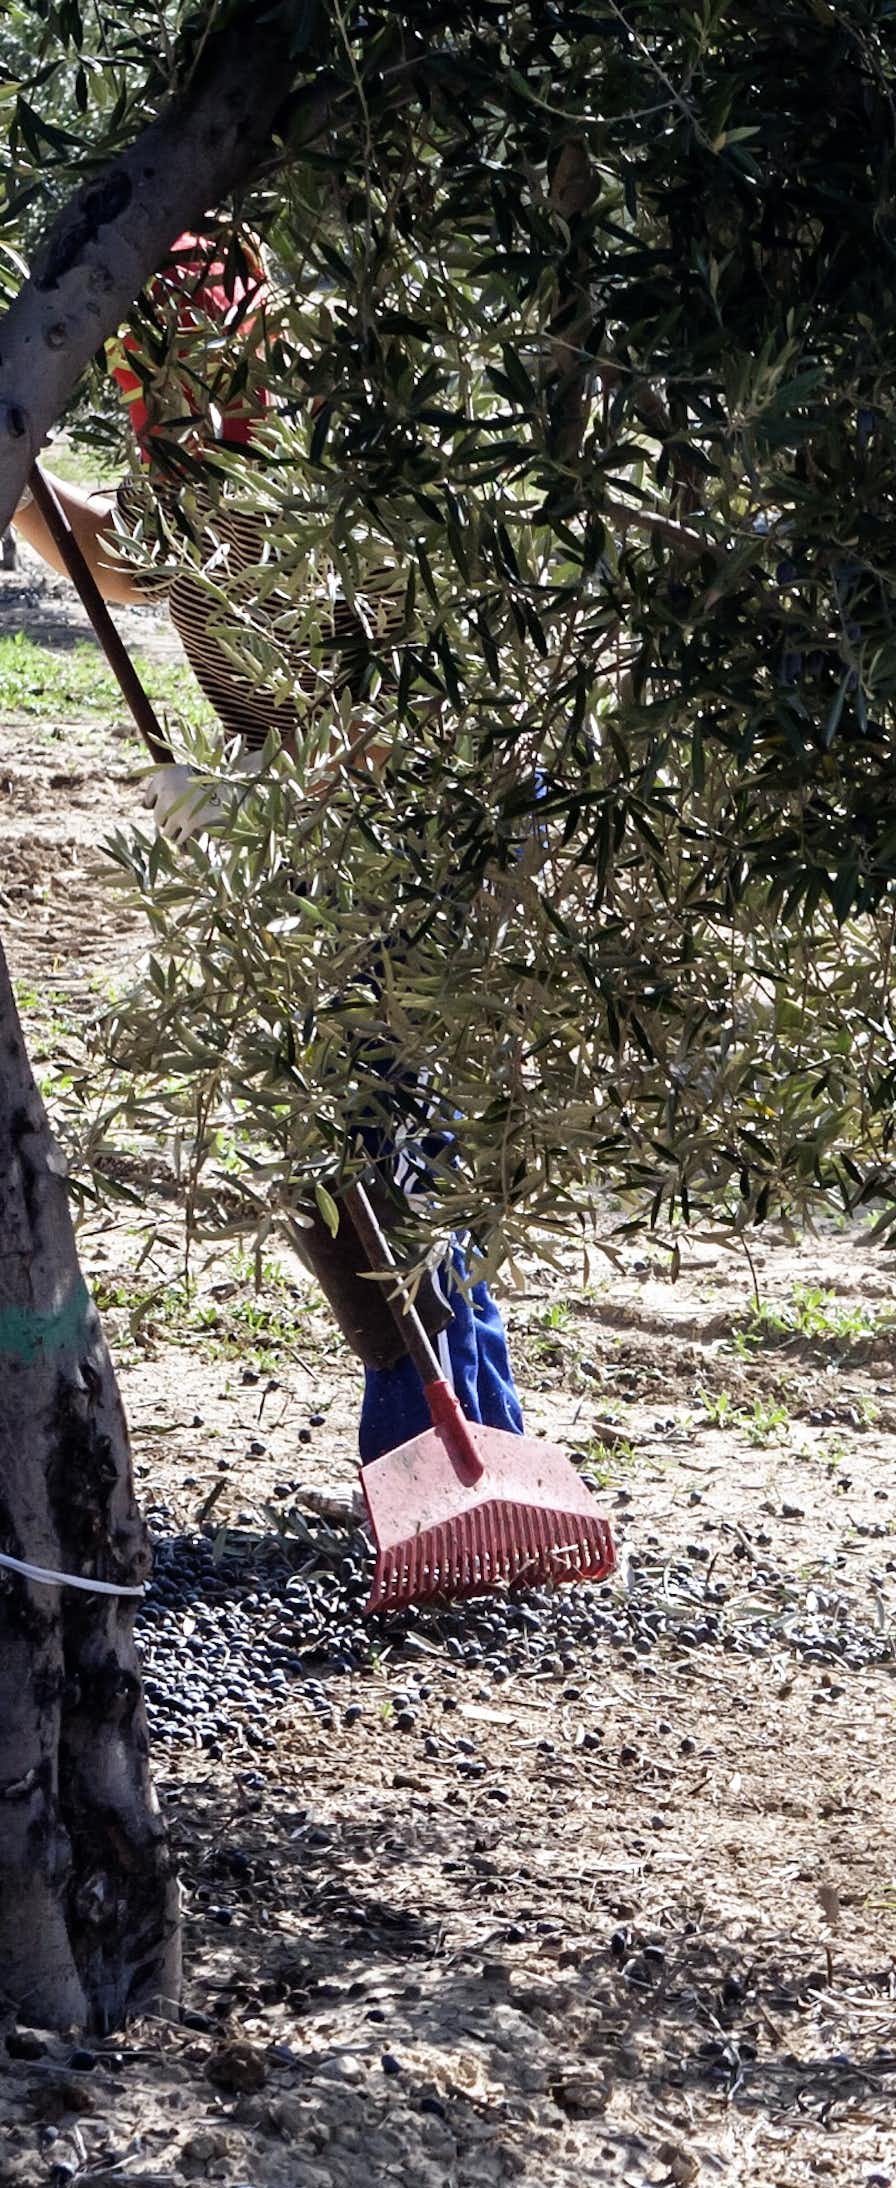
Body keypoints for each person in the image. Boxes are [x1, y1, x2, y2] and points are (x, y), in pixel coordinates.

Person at [9, 232, 526, 1469]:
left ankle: (441, 1447)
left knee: (382, 1134)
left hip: (424, 832)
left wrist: (255, 805)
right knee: (330, 1135)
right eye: (149, 372)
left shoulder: (341, 470)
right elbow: (126, 567)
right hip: (302, 827)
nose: (164, 392)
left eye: (183, 366)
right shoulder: (188, 468)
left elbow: (411, 709)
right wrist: (18, 456)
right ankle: (461, 1441)